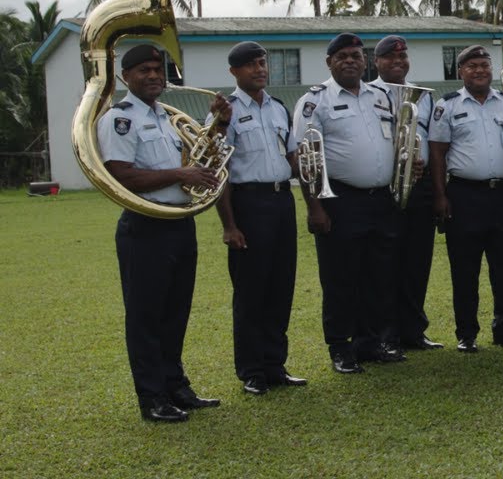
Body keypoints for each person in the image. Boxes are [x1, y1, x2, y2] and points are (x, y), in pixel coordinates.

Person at [98, 44, 225, 422]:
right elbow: (119, 174)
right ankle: (152, 398)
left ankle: (176, 386)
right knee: (146, 316)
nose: (154, 75)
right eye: (144, 70)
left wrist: (216, 124)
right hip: (145, 226)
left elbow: (196, 157)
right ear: (126, 77)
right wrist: (180, 175)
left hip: (179, 223)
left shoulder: (167, 118)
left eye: (159, 69)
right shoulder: (121, 118)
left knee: (175, 312)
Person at [292, 33, 405, 374]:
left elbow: (397, 139)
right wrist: (315, 207)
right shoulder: (315, 101)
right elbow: (305, 158)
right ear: (329, 62)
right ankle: (341, 347)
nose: (350, 61)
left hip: (381, 200)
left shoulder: (382, 96)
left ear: (366, 61)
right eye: (341, 56)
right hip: (339, 200)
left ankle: (370, 342)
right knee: (341, 278)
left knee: (378, 276)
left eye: (356, 55)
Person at [211, 41, 306, 396]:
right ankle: (251, 370)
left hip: (283, 201)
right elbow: (219, 171)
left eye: (263, 63)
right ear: (234, 72)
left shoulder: (279, 108)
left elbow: (293, 157)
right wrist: (229, 226)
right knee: (251, 291)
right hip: (248, 205)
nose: (260, 69)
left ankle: (274, 364)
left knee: (281, 287)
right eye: (250, 65)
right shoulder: (226, 112)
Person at [428, 45, 503, 352]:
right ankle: (466, 333)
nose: (479, 71)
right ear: (460, 71)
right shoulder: (446, 105)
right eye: (472, 66)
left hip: (501, 194)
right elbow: (437, 153)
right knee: (465, 269)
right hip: (463, 196)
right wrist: (440, 195)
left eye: (484, 65)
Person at [369, 35, 444, 352]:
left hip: (420, 184)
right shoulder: (368, 94)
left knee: (417, 258)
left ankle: (413, 329)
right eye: (390, 57)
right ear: (377, 62)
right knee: (386, 262)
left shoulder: (425, 96)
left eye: (403, 56)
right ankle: (386, 332)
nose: (398, 61)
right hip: (385, 186)